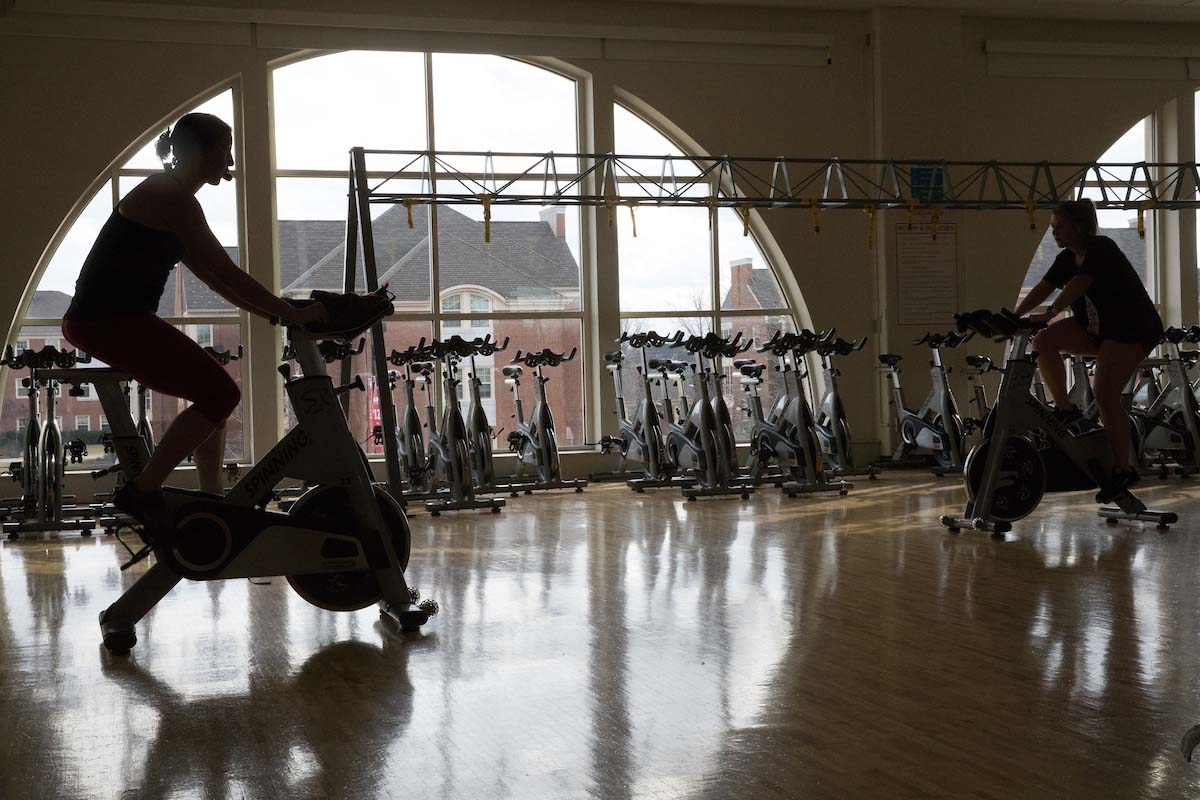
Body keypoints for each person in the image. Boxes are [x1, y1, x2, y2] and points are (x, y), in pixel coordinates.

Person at [61, 113, 328, 521]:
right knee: (221, 394)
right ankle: (143, 492)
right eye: (225, 151)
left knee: (213, 399)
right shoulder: (171, 198)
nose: (232, 161)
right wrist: (292, 311)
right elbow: (226, 271)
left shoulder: (170, 196)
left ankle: (210, 504)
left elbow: (216, 281)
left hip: (111, 318)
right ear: (199, 153)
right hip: (106, 320)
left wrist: (278, 315)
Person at [1013, 198, 1164, 501]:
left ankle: (1123, 469)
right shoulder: (1068, 257)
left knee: (1106, 396)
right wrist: (1012, 316)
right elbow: (1044, 287)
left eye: (1059, 227)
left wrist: (1049, 312)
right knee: (1043, 342)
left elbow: (1074, 288)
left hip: (1131, 330)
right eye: (1052, 228)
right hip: (1097, 329)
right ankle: (1065, 410)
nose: (1054, 233)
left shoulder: (1101, 248)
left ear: (1079, 226)